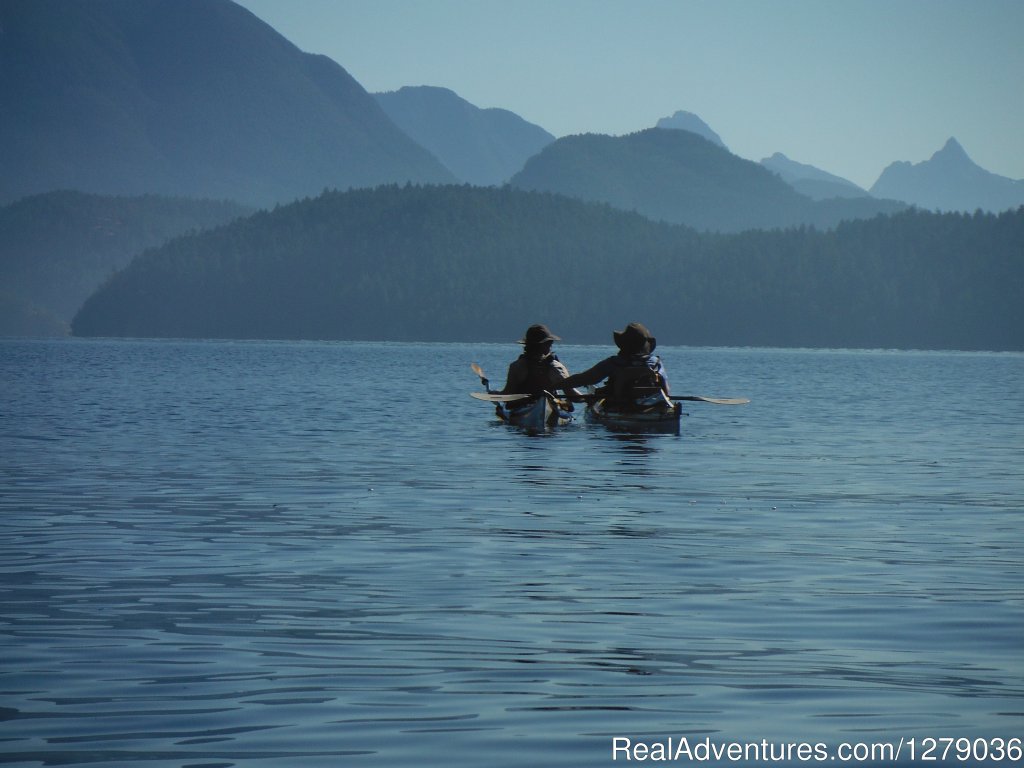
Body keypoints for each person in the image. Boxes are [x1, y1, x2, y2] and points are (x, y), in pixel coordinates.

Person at [559, 322, 669, 408]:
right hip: (652, 407)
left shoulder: (615, 363)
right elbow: (666, 390)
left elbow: (585, 378)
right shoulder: (656, 363)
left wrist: (555, 386)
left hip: (619, 406)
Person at [500, 324, 573, 396]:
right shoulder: (557, 367)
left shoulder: (515, 367)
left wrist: (494, 393)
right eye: (550, 343)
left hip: (522, 405)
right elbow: (573, 396)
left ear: (527, 345)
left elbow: (507, 393)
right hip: (549, 405)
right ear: (547, 345)